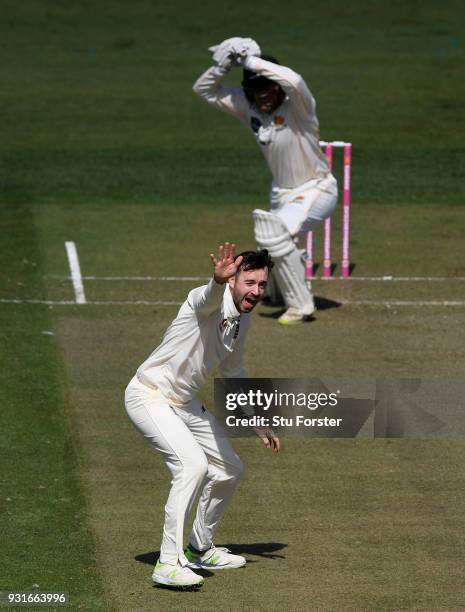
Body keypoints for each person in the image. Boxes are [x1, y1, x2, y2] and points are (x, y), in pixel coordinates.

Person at [124, 243, 280, 589]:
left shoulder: (243, 319)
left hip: (183, 402)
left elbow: (233, 371)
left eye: (261, 284)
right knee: (192, 466)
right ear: (233, 281)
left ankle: (198, 547)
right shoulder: (207, 301)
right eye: (249, 282)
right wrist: (215, 281)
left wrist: (254, 417)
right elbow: (206, 297)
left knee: (229, 469)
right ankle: (168, 563)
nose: (255, 291)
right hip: (149, 395)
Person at [193, 37, 338, 325]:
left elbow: (295, 81)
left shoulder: (299, 108)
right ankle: (276, 291)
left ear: (277, 87)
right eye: (256, 91)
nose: (263, 97)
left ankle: (301, 306)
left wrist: (251, 61)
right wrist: (222, 65)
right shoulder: (251, 109)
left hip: (316, 188)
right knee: (270, 239)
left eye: (268, 89)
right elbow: (204, 90)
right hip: (282, 192)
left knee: (273, 232)